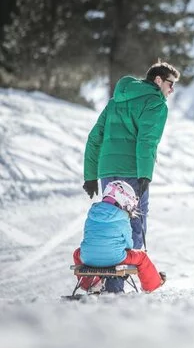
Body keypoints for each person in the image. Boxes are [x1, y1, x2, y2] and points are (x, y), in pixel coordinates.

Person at [82, 61, 179, 292]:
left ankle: (101, 278)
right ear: (158, 80)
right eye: (170, 84)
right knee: (134, 225)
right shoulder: (155, 103)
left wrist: (90, 175)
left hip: (108, 170)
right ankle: (116, 287)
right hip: (133, 172)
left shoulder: (116, 101)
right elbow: (147, 140)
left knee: (110, 219)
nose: (171, 90)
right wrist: (145, 174)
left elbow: (95, 137)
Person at [72, 181, 166, 293]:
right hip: (115, 258)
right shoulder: (122, 217)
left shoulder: (92, 213)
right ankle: (152, 285)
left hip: (89, 258)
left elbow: (88, 237)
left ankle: (91, 284)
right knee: (141, 257)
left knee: (77, 253)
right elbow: (129, 245)